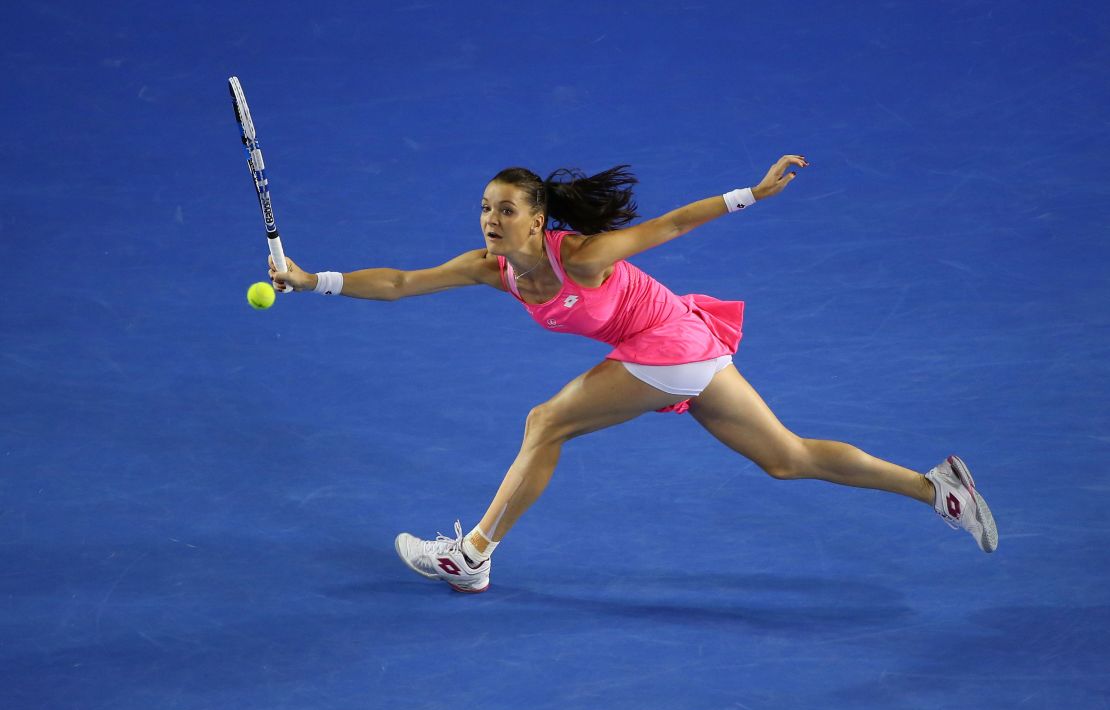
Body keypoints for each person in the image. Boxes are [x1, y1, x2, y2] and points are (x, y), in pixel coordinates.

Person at [269, 155, 999, 594]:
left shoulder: (579, 256)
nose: (491, 220)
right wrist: (310, 279)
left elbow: (674, 224)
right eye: (485, 208)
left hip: (670, 344)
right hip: (687, 347)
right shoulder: (490, 271)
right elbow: (398, 282)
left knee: (546, 422)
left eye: (507, 210)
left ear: (538, 219)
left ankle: (473, 555)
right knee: (788, 459)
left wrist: (753, 192)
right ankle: (936, 487)